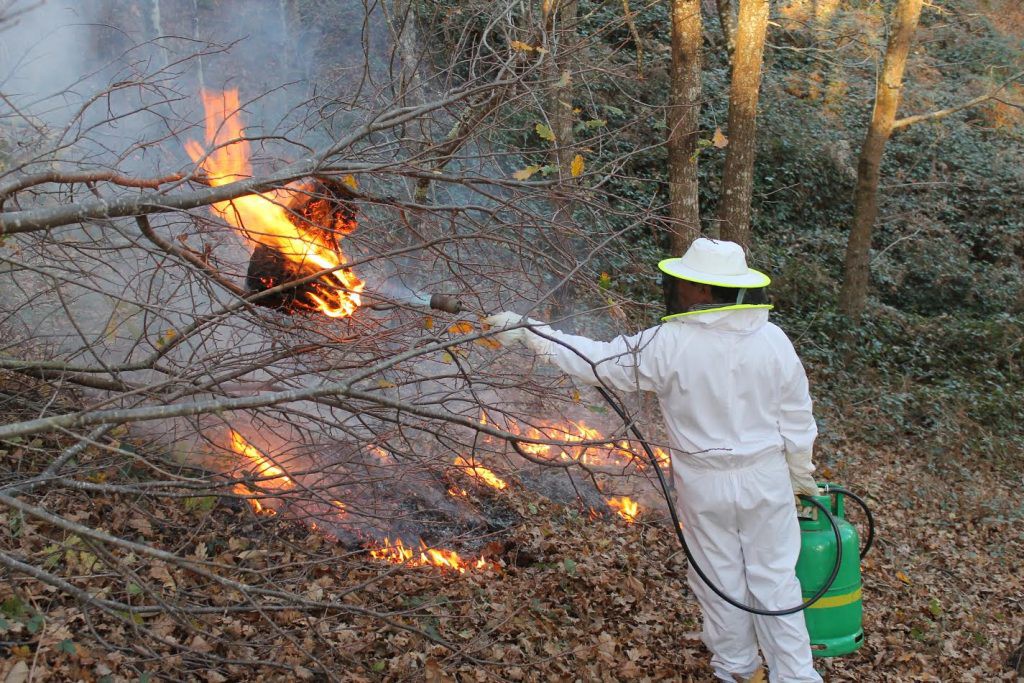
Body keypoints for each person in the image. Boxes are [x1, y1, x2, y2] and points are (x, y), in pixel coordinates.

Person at [485, 238, 822, 683]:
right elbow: (798, 419)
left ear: (704, 291)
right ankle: (793, 676)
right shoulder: (774, 340)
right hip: (767, 478)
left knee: (718, 579)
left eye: (685, 282)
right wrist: (801, 476)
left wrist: (529, 332)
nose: (677, 288)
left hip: (705, 485)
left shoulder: (669, 343)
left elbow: (596, 361)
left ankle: (737, 671)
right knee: (775, 580)